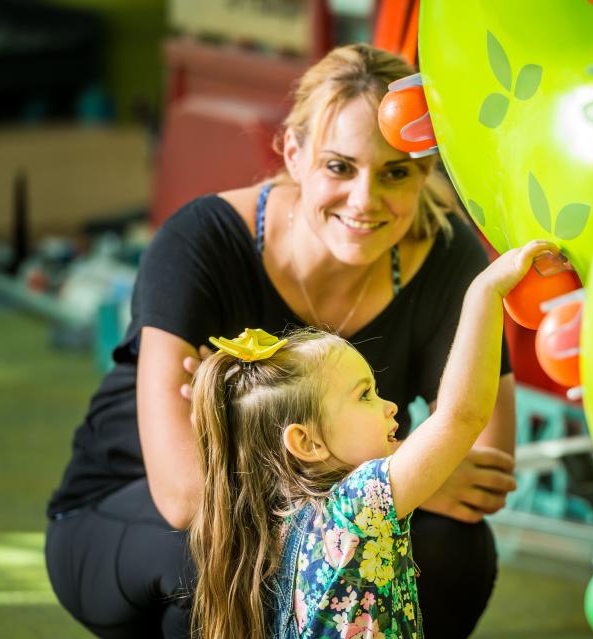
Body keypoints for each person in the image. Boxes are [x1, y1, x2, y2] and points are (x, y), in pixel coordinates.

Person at [46, 43, 519, 638]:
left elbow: (482, 472)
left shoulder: (445, 253)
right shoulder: (201, 243)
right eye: (339, 167)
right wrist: (406, 473)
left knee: (454, 547)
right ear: (293, 154)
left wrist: (389, 481)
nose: (366, 200)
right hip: (125, 511)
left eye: (396, 172)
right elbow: (186, 495)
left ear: (425, 172)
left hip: (294, 497)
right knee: (227, 548)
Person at [191, 240, 555, 639]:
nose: (390, 405)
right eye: (365, 394)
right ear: (307, 443)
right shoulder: (356, 505)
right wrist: (484, 292)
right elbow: (461, 416)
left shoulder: (280, 519)